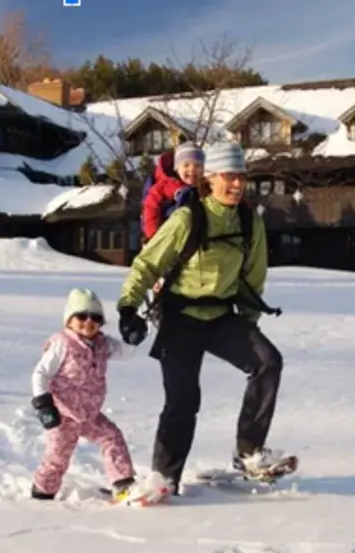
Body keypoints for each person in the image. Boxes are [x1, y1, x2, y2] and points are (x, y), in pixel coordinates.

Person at [115, 140, 288, 495]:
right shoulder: (187, 217)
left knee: (267, 361)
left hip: (222, 316)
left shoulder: (248, 221)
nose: (237, 184)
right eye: (229, 176)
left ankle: (250, 451)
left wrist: (248, 326)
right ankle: (164, 478)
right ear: (209, 178)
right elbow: (149, 262)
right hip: (180, 317)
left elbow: (254, 276)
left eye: (242, 176)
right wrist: (128, 306)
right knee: (183, 401)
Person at [29, 287, 139, 503]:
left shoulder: (103, 344)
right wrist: (44, 404)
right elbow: (40, 373)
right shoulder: (62, 344)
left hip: (90, 414)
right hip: (63, 416)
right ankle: (42, 492)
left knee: (112, 438)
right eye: (81, 316)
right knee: (58, 457)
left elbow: (125, 354)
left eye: (96, 318)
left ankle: (124, 485)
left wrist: (132, 338)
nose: (89, 322)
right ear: (69, 320)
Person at [141, 141, 205, 242]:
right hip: (168, 234)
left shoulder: (204, 186)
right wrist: (153, 235)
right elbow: (151, 206)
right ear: (177, 169)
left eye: (197, 166)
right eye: (186, 165)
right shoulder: (166, 185)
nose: (192, 169)